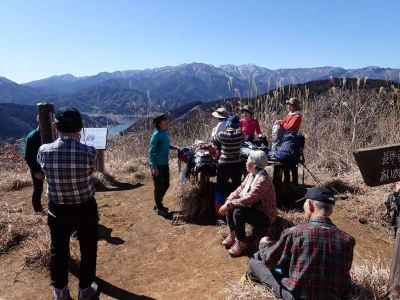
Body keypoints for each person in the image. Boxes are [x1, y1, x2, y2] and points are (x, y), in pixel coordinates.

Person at [247, 187, 355, 300]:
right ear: (331, 210)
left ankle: (251, 280)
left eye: (304, 203)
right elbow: (344, 278)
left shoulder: (294, 232)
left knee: (255, 261)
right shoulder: (347, 239)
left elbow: (270, 261)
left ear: (310, 205)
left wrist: (264, 245)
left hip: (296, 296)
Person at [37, 108, 99, 300]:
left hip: (57, 209)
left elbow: (42, 173)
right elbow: (91, 172)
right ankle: (85, 290)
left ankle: (60, 292)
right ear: (80, 128)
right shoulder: (89, 152)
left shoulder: (44, 151)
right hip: (85, 207)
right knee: (88, 249)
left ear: (56, 127)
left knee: (59, 251)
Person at [219, 150, 276, 257]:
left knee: (238, 211)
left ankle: (241, 242)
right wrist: (229, 200)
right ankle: (233, 235)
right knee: (232, 204)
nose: (246, 162)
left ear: (254, 165)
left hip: (265, 215)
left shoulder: (263, 180)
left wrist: (229, 204)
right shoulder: (251, 175)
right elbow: (240, 189)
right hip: (254, 209)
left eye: (248, 159)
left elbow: (249, 198)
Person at [148, 113, 179, 218]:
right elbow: (151, 152)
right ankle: (159, 207)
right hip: (158, 165)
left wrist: (174, 147)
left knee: (166, 184)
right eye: (164, 121)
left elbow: (165, 145)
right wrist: (154, 167)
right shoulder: (156, 135)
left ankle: (158, 204)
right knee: (158, 186)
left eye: (166, 120)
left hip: (164, 163)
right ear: (159, 123)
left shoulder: (164, 133)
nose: (166, 122)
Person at [213, 116, 245, 202]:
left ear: (227, 125)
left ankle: (218, 206)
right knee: (237, 186)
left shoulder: (222, 135)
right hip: (236, 164)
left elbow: (215, 140)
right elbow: (243, 139)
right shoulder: (240, 135)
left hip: (224, 164)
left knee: (220, 186)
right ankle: (235, 206)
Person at [24, 116, 44, 213]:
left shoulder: (50, 134)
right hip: (37, 167)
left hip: (48, 167)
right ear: (39, 121)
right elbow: (28, 157)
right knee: (38, 189)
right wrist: (36, 171)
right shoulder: (32, 136)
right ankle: (37, 210)